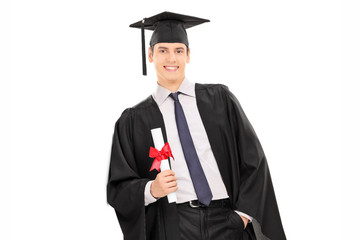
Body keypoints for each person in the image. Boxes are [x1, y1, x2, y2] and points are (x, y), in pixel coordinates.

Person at [107, 11, 286, 240]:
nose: (171, 59)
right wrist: (151, 189)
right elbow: (118, 189)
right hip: (175, 226)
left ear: (188, 55)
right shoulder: (133, 120)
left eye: (178, 51)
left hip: (227, 221)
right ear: (150, 55)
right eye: (163, 50)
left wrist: (241, 216)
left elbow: (254, 160)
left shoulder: (220, 99)